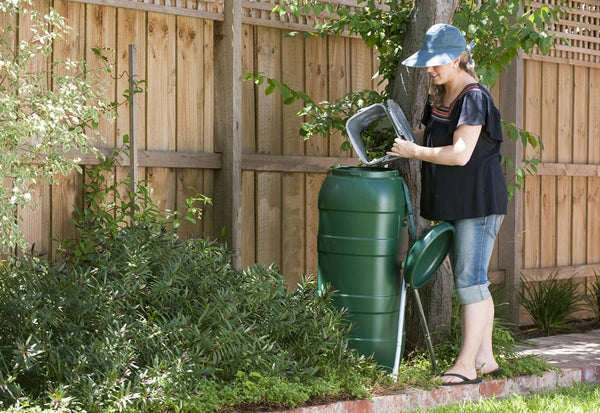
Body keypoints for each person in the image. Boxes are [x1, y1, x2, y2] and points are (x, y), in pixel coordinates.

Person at [387, 23, 508, 386]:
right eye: (427, 62)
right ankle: (485, 359)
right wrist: (407, 136)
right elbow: (433, 135)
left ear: (459, 57)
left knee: (470, 283)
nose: (431, 69)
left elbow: (459, 154)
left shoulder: (474, 96)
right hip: (457, 204)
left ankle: (466, 366)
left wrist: (414, 151)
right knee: (476, 283)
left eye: (437, 62)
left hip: (479, 204)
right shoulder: (440, 96)